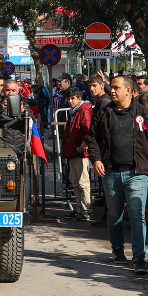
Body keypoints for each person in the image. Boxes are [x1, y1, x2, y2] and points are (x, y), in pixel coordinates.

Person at [85, 75, 148, 275]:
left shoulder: (145, 114)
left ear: (129, 91)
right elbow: (92, 138)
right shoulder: (104, 113)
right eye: (111, 87)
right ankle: (117, 249)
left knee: (137, 215)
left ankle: (139, 258)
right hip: (111, 172)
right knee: (114, 215)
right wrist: (96, 159)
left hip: (137, 174)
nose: (112, 91)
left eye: (116, 87)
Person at [62, 87, 93, 221]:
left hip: (79, 152)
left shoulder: (83, 110)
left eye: (73, 98)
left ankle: (86, 210)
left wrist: (81, 145)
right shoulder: (74, 111)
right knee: (76, 182)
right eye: (69, 98)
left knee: (83, 182)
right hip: (73, 151)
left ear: (79, 99)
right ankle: (79, 209)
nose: (70, 101)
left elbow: (87, 129)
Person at [0, 78, 28, 149]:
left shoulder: (23, 106)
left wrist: (24, 112)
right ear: (3, 90)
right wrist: (0, 109)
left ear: (17, 91)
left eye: (13, 90)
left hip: (20, 144)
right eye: (7, 90)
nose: (10, 93)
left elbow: (31, 124)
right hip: (3, 144)